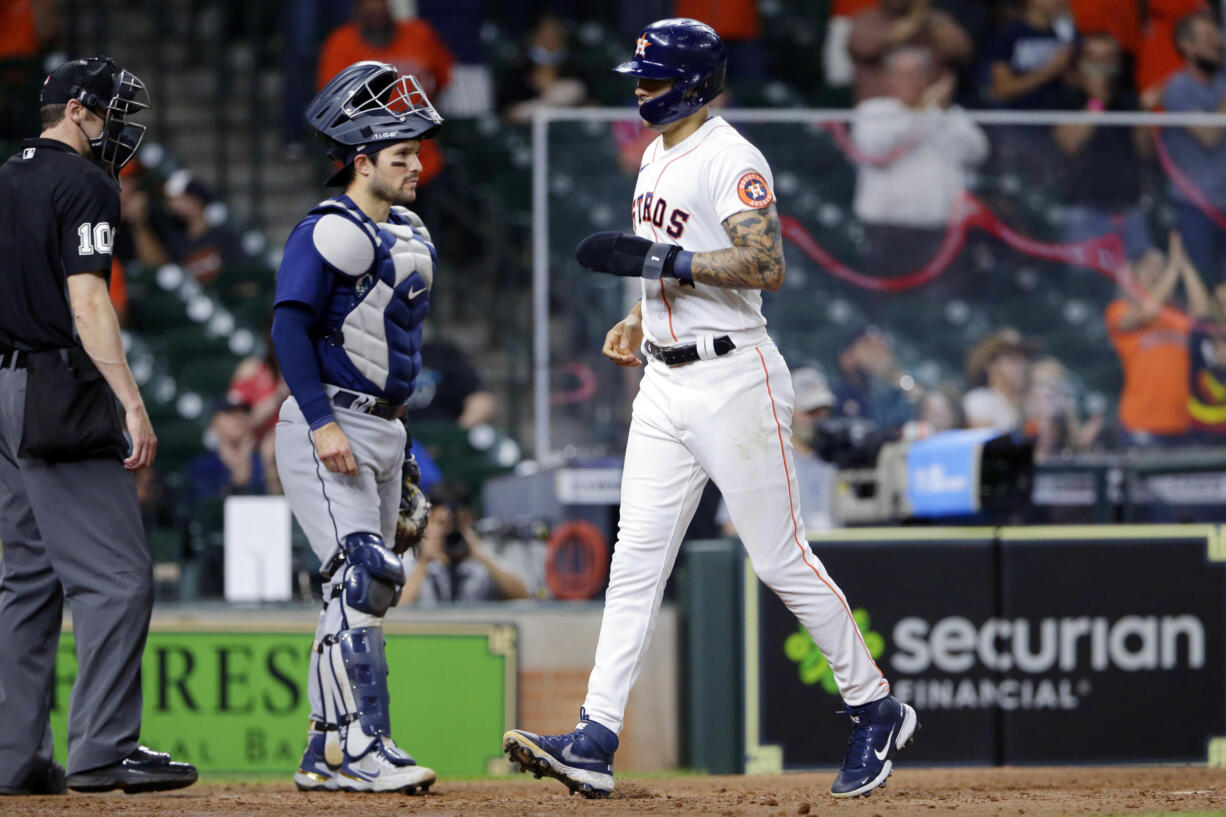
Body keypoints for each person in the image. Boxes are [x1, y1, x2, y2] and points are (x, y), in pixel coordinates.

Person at [501, 19, 917, 801]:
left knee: (780, 557)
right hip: (665, 380)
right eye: (639, 77)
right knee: (634, 563)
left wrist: (668, 264)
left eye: (652, 79)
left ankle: (875, 705)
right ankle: (595, 736)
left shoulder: (730, 155)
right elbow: (662, 264)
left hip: (735, 378)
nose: (638, 89)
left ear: (694, 81)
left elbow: (767, 263)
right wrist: (640, 314)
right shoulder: (657, 155)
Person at [0, 56, 196, 795]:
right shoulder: (83, 182)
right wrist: (131, 400)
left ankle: (13, 755)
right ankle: (102, 748)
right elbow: (88, 303)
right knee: (117, 578)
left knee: (26, 580)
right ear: (79, 109)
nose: (117, 124)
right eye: (110, 109)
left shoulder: (5, 176)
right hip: (56, 385)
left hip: (2, 386)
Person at [273, 60, 443, 794]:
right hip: (330, 421)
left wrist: (399, 442)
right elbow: (288, 329)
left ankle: (323, 748)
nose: (416, 166)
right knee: (362, 576)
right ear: (362, 159)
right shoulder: (327, 230)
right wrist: (320, 425)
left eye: (416, 154)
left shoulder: (406, 229)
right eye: (401, 156)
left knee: (359, 589)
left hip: (382, 427)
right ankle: (364, 745)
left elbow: (393, 345)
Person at [850, 46, 988, 274]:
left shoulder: (949, 114)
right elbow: (876, 150)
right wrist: (922, 112)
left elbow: (976, 153)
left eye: (917, 74)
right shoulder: (872, 112)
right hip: (887, 233)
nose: (911, 81)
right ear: (889, 80)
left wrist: (935, 114)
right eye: (903, 74)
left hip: (942, 232)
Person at [317, 0, 454, 188]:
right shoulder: (341, 43)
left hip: (422, 161)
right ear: (357, 16)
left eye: (382, 12)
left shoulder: (419, 34)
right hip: (367, 166)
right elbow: (333, 106)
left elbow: (441, 79)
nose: (377, 21)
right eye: (370, 15)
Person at [1053, 31, 1152, 259]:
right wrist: (1097, 102)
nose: (1100, 64)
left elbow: (1146, 151)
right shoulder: (1068, 98)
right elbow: (1068, 144)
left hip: (1129, 210)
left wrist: (1144, 114)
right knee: (1084, 286)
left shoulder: (1128, 99)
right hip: (1083, 210)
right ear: (1080, 62)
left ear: (1117, 63)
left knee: (1142, 284)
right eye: (1092, 57)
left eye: (1107, 57)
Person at [717, 367, 838, 535]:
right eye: (810, 412)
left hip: (834, 556)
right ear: (787, 412)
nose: (818, 420)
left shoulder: (835, 461)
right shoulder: (762, 461)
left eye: (823, 412)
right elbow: (731, 526)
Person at [1105, 239, 1192, 445]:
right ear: (1134, 275)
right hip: (1141, 423)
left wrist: (1185, 267)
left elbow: (1204, 314)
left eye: (1161, 266)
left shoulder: (1177, 315)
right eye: (1150, 266)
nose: (1157, 272)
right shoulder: (1119, 309)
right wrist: (1173, 269)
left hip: (1181, 424)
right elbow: (1148, 311)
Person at [1161, 11, 1226, 284]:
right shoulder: (1178, 87)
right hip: (1195, 207)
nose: (1218, 43)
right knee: (1200, 288)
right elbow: (1208, 135)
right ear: (1186, 46)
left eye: (1217, 36)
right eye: (1207, 38)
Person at [400, 480, 530, 604]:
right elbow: (398, 612)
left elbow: (524, 597)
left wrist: (480, 556)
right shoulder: (411, 562)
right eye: (441, 524)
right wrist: (423, 563)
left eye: (457, 525)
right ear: (426, 522)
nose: (449, 532)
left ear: (471, 521)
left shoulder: (485, 559)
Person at [847, 0, 972, 103]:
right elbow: (865, 47)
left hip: (931, 111)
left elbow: (962, 51)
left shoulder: (935, 21)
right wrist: (914, 20)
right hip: (881, 113)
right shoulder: (867, 21)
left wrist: (936, 23)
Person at [986, 0, 1079, 110]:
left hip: (1061, 113)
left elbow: (1080, 87)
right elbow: (1001, 90)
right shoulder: (1009, 34)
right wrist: (1048, 71)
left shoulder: (1068, 36)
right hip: (1017, 116)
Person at [499, 14, 588, 125]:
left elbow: (589, 104)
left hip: (567, 128)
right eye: (545, 36)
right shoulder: (519, 69)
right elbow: (507, 111)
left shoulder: (574, 68)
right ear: (534, 37)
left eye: (555, 36)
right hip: (527, 129)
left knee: (573, 88)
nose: (550, 41)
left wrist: (552, 90)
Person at [162, 169, 245, 287]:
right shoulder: (173, 237)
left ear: (195, 200)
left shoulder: (225, 236)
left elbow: (240, 279)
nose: (171, 205)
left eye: (177, 199)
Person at [832, 324, 917, 431]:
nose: (876, 355)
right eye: (869, 347)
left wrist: (891, 375)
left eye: (881, 347)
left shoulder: (894, 389)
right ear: (847, 357)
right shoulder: (836, 396)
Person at [186, 399, 267, 505]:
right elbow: (208, 504)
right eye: (230, 414)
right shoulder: (203, 466)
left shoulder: (262, 463)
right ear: (214, 422)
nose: (239, 419)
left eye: (244, 414)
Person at [404, 336, 496, 428]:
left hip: (441, 434)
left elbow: (481, 400)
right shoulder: (390, 359)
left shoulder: (442, 354)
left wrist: (458, 433)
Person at [963, 328, 1032, 431]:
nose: (1020, 365)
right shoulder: (979, 400)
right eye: (1011, 358)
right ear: (990, 365)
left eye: (1022, 357)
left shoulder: (1030, 401)